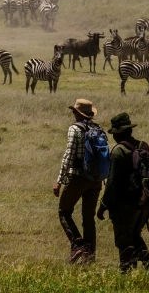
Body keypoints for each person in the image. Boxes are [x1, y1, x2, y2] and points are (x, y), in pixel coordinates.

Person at [98, 113, 149, 272]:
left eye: (115, 133)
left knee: (124, 239)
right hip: (145, 201)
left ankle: (126, 272)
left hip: (125, 203)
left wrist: (103, 205)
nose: (114, 136)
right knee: (135, 235)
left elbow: (112, 183)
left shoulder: (119, 151)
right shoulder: (144, 146)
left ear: (120, 133)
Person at [53, 99, 102, 263]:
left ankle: (77, 244)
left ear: (76, 112)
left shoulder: (74, 129)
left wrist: (59, 181)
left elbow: (69, 156)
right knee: (88, 217)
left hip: (78, 177)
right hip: (95, 179)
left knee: (64, 212)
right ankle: (90, 256)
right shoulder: (97, 128)